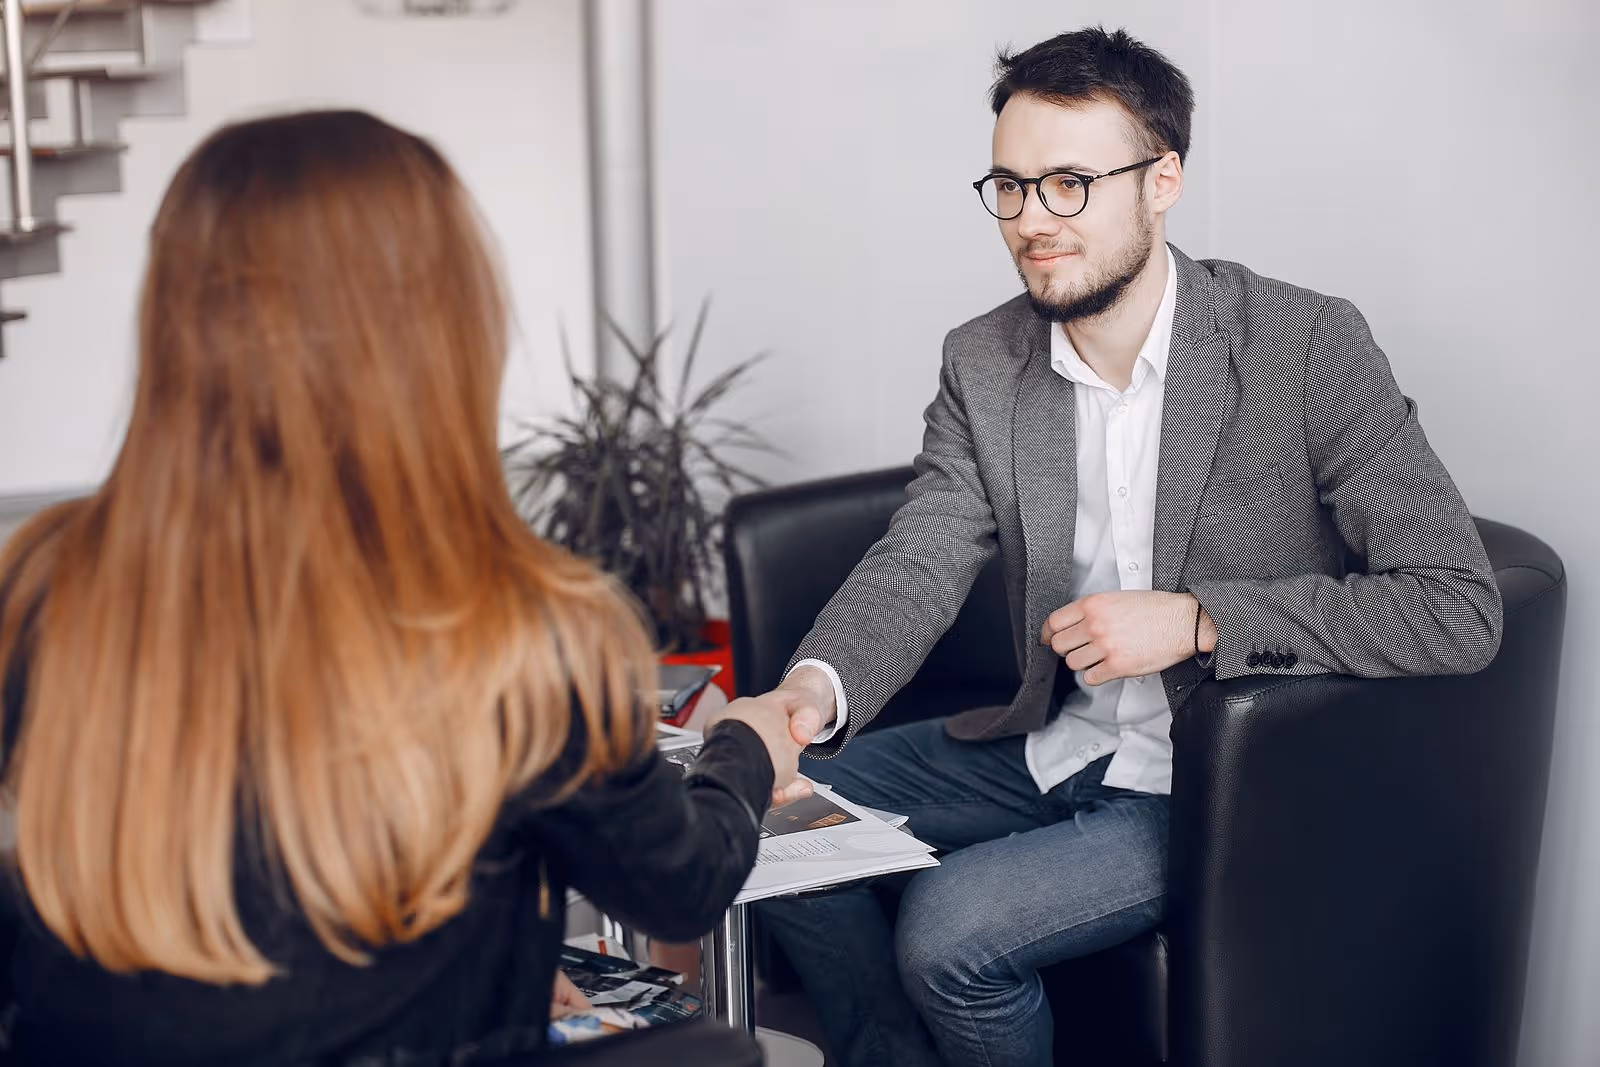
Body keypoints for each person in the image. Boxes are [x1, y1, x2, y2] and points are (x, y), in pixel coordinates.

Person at [751, 26, 1504, 1067]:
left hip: (1213, 776)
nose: (1031, 220)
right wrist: (804, 697)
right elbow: (918, 556)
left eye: (1069, 184)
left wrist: (1198, 620)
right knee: (771, 818)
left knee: (949, 932)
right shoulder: (983, 359)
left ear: (1163, 181)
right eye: (1010, 187)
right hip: (1052, 736)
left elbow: (1456, 603)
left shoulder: (1304, 347)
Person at [0, 109, 816, 1066]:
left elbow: (240, 892)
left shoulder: (44, 581)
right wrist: (744, 749)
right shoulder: (517, 628)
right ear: (441, 333)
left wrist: (501, 953)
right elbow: (678, 888)